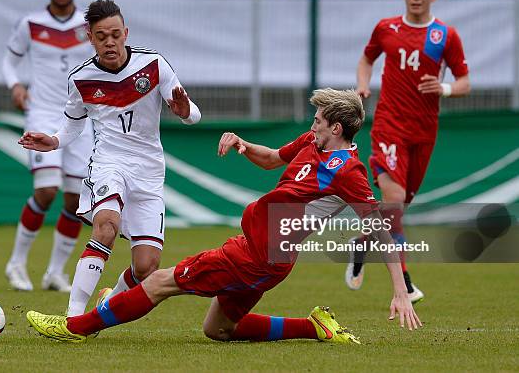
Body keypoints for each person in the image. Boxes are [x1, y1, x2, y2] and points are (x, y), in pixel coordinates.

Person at [25, 88, 421, 343]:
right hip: (270, 259)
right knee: (217, 329)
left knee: (162, 281)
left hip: (256, 255)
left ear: (335, 128)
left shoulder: (350, 172)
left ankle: (75, 327)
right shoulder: (311, 143)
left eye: (318, 120)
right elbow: (271, 160)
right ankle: (313, 326)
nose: (311, 124)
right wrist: (242, 144)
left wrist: (399, 290)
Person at [18, 0, 202, 318]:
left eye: (115, 34)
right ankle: (73, 317)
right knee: (106, 226)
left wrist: (186, 112)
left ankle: (108, 302)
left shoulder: (154, 64)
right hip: (108, 163)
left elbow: (193, 114)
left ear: (126, 33)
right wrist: (55, 141)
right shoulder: (81, 78)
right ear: (90, 37)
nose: (110, 42)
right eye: (102, 36)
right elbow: (73, 124)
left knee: (146, 267)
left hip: (148, 171)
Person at [348, 0, 470, 302]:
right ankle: (405, 282)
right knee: (395, 201)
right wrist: (362, 85)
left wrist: (443, 89)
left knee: (396, 210)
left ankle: (362, 246)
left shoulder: (445, 35)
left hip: (424, 131)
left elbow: (465, 82)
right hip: (389, 125)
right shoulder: (386, 28)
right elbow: (366, 59)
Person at [2, 0, 95, 292]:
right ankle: (16, 264)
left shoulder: (89, 25)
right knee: (46, 190)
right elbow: (9, 61)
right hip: (41, 113)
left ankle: (55, 272)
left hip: (79, 121)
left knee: (74, 202)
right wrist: (15, 85)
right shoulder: (30, 24)